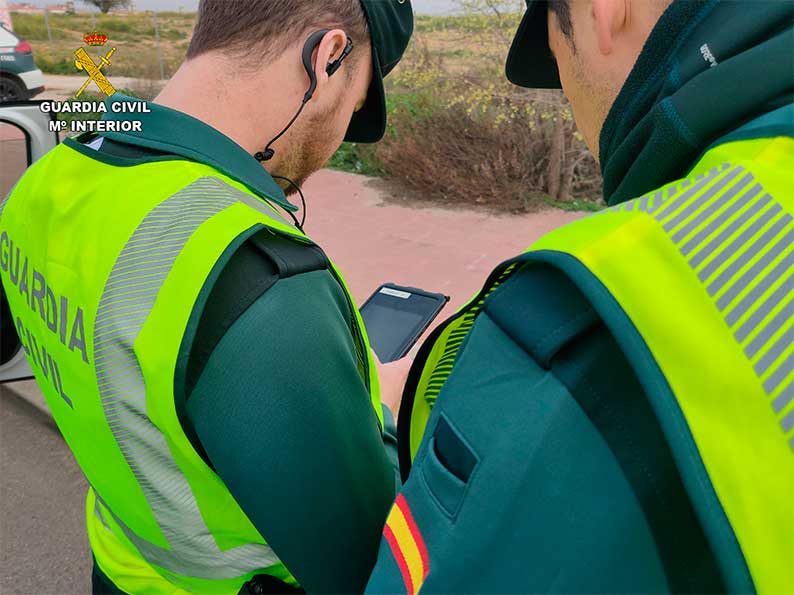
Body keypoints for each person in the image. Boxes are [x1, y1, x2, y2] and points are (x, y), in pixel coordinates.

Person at [366, 0, 793, 593]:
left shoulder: (576, 327)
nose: (583, 122)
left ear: (607, 10)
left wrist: (389, 418)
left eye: (563, 67)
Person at [0, 1, 414, 593]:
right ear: (327, 57)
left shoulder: (46, 181)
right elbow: (369, 564)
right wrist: (383, 411)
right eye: (352, 104)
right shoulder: (256, 277)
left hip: (119, 567)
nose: (340, 133)